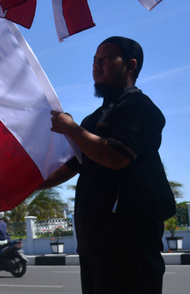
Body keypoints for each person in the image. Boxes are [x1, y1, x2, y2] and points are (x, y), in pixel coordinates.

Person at [39, 36, 169, 293]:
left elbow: (116, 157)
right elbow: (70, 166)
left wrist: (72, 129)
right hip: (94, 242)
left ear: (130, 66)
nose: (97, 65)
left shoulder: (139, 107)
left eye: (106, 59)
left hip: (128, 241)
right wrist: (25, 184)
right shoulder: (94, 119)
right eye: (95, 60)